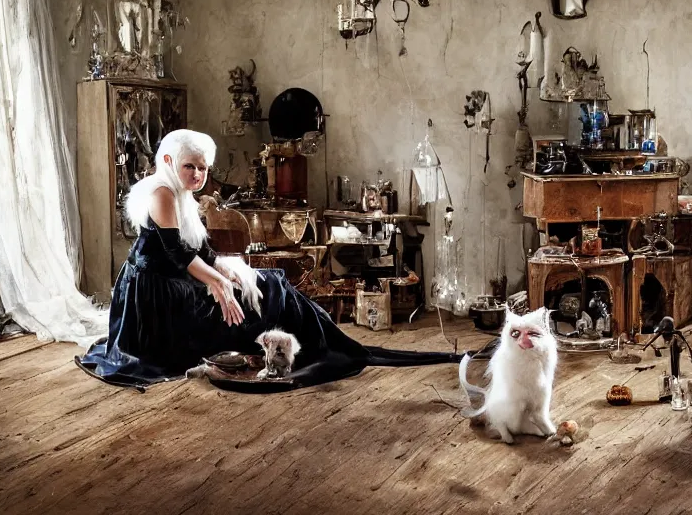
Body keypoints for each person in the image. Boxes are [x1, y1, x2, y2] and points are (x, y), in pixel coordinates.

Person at [77, 129, 458, 391]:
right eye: (189, 166)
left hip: (174, 283)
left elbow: (199, 248)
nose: (197, 174)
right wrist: (217, 282)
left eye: (203, 167)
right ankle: (327, 344)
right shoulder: (161, 191)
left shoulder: (181, 193)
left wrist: (225, 268)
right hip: (158, 302)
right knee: (270, 285)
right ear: (168, 160)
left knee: (267, 280)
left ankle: (325, 339)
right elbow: (176, 253)